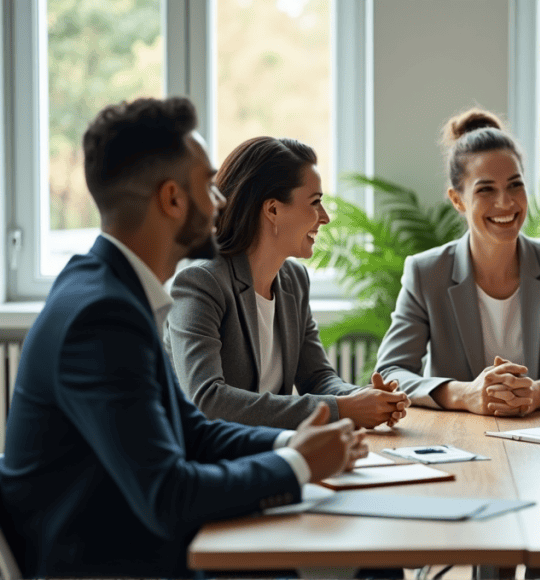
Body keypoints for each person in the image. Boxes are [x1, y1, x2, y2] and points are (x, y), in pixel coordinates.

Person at [0, 97, 367, 578]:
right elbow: (168, 495)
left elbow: (190, 428)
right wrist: (297, 465)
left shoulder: (111, 289)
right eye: (209, 186)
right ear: (172, 199)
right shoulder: (102, 315)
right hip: (108, 561)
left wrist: (289, 442)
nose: (222, 201)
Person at [375, 108, 540, 415]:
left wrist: (537, 393)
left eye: (515, 185)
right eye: (486, 189)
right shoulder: (426, 273)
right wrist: (464, 394)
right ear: (458, 200)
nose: (505, 202)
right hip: (458, 433)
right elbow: (391, 372)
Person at [166, 136, 409, 429]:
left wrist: (363, 397)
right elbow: (207, 400)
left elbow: (317, 377)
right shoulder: (201, 282)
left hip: (272, 449)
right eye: (315, 202)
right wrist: (343, 408)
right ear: (272, 210)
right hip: (212, 460)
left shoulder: (294, 280)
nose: (326, 217)